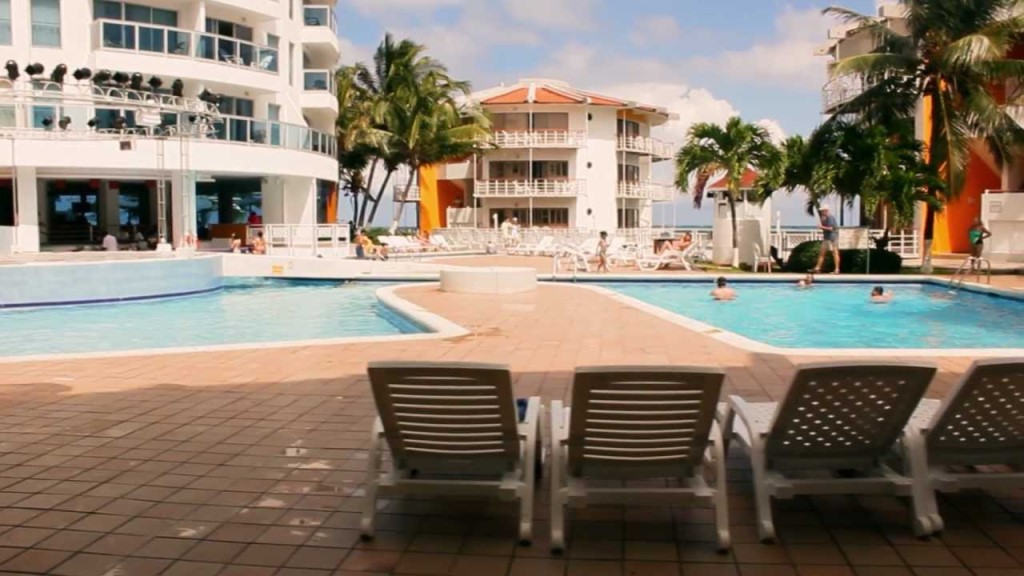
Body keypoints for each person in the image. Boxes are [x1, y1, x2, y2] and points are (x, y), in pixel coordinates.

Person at [812, 205, 840, 274]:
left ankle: (837, 269)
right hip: (827, 238)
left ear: (826, 211)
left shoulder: (830, 217)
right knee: (822, 253)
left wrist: (821, 227)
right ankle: (817, 268)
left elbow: (831, 228)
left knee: (835, 253)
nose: (821, 212)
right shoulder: (824, 218)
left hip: (832, 238)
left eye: (822, 211)